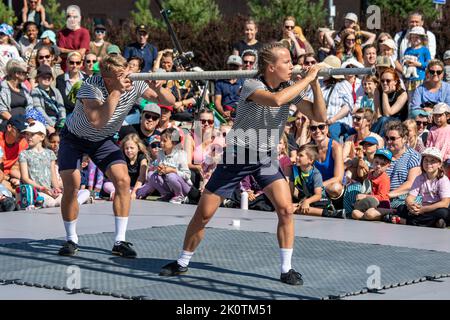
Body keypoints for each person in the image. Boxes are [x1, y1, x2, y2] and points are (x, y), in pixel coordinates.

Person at [159, 42, 327, 285]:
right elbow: (277, 100)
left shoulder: (290, 86)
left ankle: (286, 269)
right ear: (271, 67)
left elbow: (319, 115)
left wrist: (314, 83)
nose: (292, 66)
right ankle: (183, 261)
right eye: (287, 62)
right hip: (238, 156)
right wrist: (308, 76)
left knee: (286, 209)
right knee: (204, 215)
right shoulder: (252, 85)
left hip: (266, 157)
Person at [56, 54, 175, 258]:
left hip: (102, 140)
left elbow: (170, 101)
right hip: (74, 137)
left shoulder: (133, 83)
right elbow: (98, 121)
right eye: (121, 74)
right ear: (108, 79)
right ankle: (71, 239)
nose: (127, 76)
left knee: (123, 180)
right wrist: (117, 92)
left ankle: (119, 241)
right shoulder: (90, 86)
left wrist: (157, 88)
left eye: (127, 71)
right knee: (72, 184)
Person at [389, 147, 449, 228]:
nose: (428, 163)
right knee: (401, 208)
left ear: (439, 164)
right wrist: (411, 205)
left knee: (444, 213)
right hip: (422, 208)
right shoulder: (419, 178)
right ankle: (434, 223)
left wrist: (423, 209)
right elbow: (410, 197)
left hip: (435, 208)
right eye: (426, 160)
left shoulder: (443, 180)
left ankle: (408, 221)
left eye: (432, 161)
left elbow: (445, 203)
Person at [19, 120, 62, 208]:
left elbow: (53, 175)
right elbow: (25, 178)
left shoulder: (50, 153)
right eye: (27, 134)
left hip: (49, 190)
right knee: (51, 203)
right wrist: (40, 188)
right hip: (35, 191)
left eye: (32, 134)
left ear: (42, 137)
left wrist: (56, 188)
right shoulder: (24, 154)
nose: (28, 137)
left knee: (63, 200)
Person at [103, 133, 148, 201]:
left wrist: (134, 192)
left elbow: (142, 176)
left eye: (132, 148)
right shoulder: (122, 157)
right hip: (124, 187)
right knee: (106, 185)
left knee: (145, 187)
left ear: (138, 148)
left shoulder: (142, 158)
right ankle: (114, 192)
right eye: (126, 148)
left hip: (137, 187)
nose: (129, 150)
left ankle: (128, 193)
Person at [352, 149, 392, 220]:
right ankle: (367, 216)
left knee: (370, 211)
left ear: (388, 166)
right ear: (373, 161)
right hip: (370, 204)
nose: (378, 166)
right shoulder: (370, 174)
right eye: (376, 162)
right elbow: (365, 182)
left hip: (381, 205)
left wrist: (365, 196)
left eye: (382, 164)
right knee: (355, 213)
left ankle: (391, 212)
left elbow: (383, 197)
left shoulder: (384, 179)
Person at [290, 144, 324, 217]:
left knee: (295, 209)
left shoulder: (316, 174)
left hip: (318, 201)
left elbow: (318, 195)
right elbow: (291, 191)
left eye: (301, 155)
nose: (297, 157)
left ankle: (328, 213)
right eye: (297, 155)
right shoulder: (294, 170)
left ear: (310, 160)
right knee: (289, 208)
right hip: (304, 199)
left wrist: (307, 201)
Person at [31, 64, 66, 131]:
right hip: (44, 122)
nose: (47, 79)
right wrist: (52, 123)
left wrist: (62, 119)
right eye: (44, 77)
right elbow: (38, 109)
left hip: (58, 120)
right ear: (38, 78)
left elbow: (61, 107)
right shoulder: (35, 91)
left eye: (49, 77)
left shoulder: (56, 91)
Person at [0, 115, 29, 194]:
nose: (23, 136)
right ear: (9, 127)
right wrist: (8, 178)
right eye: (20, 131)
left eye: (25, 133)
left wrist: (19, 180)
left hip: (12, 177)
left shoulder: (23, 143)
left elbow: (18, 167)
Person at [57, 5, 90, 72]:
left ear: (79, 18)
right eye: (69, 16)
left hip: (79, 69)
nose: (72, 19)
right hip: (64, 70)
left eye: (75, 17)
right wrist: (76, 51)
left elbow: (81, 53)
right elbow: (60, 51)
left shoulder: (84, 32)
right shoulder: (62, 33)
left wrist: (65, 51)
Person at [0, 59, 34, 125]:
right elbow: (2, 111)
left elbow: (30, 106)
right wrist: (16, 122)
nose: (27, 75)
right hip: (9, 122)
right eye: (25, 73)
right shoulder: (2, 89)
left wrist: (30, 120)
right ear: (17, 74)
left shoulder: (24, 88)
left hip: (25, 120)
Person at [214, 55, 244, 121]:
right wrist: (223, 113)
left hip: (241, 113)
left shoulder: (244, 81)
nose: (233, 68)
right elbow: (217, 101)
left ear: (240, 67)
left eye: (236, 66)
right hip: (224, 112)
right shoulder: (220, 82)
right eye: (231, 65)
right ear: (228, 66)